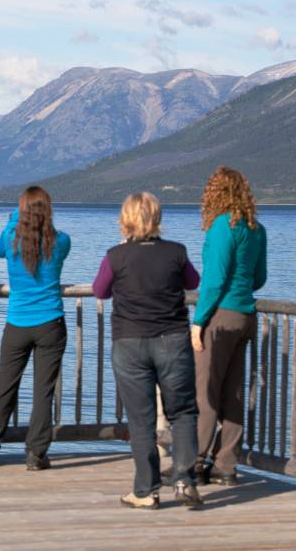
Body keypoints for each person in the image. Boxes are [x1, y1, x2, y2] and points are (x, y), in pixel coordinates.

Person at [92, 192, 203, 509]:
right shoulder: (176, 252)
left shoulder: (115, 256)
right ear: (157, 218)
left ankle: (145, 491)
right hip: (172, 340)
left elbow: (100, 290)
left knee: (140, 420)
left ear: (125, 219)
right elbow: (192, 282)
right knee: (182, 413)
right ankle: (184, 481)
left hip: (129, 343)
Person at [0, 186, 71, 471]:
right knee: (44, 391)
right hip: (51, 323)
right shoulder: (61, 241)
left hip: (17, 323)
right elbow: (50, 240)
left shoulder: (11, 238)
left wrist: (13, 218)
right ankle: (36, 454)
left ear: (22, 211)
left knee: (5, 386)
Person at [192, 166, 267, 486]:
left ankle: (193, 461)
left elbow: (213, 280)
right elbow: (259, 278)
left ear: (215, 194)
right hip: (246, 317)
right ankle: (226, 465)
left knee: (206, 391)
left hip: (220, 318)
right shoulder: (256, 228)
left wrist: (198, 322)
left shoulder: (223, 226)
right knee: (233, 393)